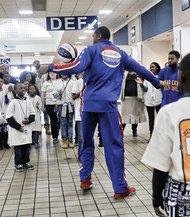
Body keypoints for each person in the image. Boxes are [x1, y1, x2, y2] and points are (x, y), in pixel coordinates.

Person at [48, 26, 163, 199]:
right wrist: (156, 82)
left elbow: (76, 66)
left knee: (86, 143)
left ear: (99, 36)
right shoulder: (120, 53)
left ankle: (85, 179)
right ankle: (120, 188)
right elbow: (141, 69)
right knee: (114, 146)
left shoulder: (91, 50)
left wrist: (51, 67)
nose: (92, 38)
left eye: (93, 35)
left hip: (88, 105)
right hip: (108, 106)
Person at [141, 53, 190, 217]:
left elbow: (160, 164)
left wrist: (156, 197)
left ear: (181, 77)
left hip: (181, 191)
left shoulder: (169, 113)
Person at [6, 83, 35, 171]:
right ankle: (18, 163)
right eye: (20, 88)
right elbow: (9, 117)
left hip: (26, 128)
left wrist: (29, 120)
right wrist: (18, 127)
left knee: (26, 146)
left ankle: (26, 162)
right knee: (18, 148)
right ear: (15, 91)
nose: (23, 89)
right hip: (17, 130)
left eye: (23, 88)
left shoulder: (28, 101)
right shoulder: (13, 102)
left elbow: (32, 114)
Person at [138, 62, 162, 139]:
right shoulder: (147, 78)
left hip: (159, 101)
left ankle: (161, 136)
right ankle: (151, 136)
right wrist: (141, 84)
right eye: (150, 67)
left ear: (157, 68)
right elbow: (145, 89)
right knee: (151, 120)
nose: (151, 68)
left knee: (161, 119)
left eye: (153, 67)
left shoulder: (160, 77)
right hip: (149, 101)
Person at [121, 71, 146, 137]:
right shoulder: (124, 73)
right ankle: (121, 131)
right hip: (126, 97)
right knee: (125, 116)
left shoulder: (138, 74)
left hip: (136, 97)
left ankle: (134, 130)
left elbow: (143, 83)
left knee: (135, 115)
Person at [27, 84, 42, 149]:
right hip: (29, 116)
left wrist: (38, 106)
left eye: (33, 89)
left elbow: (41, 107)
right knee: (29, 130)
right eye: (30, 89)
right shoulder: (26, 98)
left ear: (35, 90)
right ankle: (29, 142)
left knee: (36, 130)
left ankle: (36, 142)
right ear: (28, 90)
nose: (32, 90)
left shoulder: (38, 97)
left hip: (36, 115)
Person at [0, 72, 10, 149]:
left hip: (5, 111)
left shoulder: (5, 91)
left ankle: (5, 143)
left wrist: (6, 96)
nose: (0, 83)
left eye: (1, 81)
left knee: (5, 129)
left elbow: (8, 102)